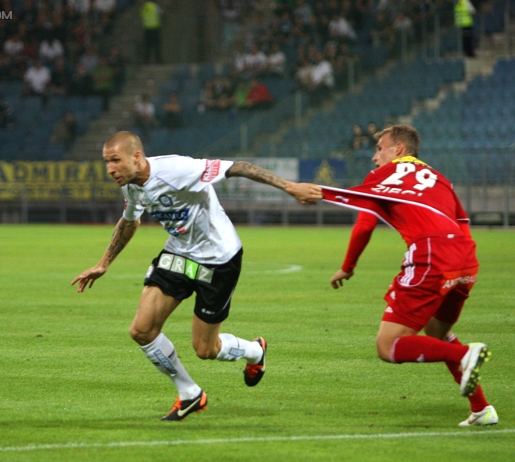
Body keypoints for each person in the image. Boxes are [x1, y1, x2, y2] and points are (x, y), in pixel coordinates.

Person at [71, 131, 322, 421]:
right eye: (106, 162)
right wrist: (104, 263)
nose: (110, 169)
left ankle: (254, 351)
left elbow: (238, 167)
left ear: (137, 157)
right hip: (179, 255)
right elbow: (130, 221)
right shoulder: (130, 186)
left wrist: (291, 187)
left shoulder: (176, 169)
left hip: (218, 259)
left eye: (115, 160)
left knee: (206, 349)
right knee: (141, 330)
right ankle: (190, 394)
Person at [323, 125, 497, 427]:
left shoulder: (383, 177)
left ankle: (465, 355)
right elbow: (462, 223)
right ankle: (482, 408)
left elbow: (365, 225)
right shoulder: (440, 179)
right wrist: (461, 262)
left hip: (431, 256)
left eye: (380, 148)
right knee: (438, 332)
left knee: (388, 345)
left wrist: (348, 266)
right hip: (465, 259)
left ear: (399, 149)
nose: (375, 157)